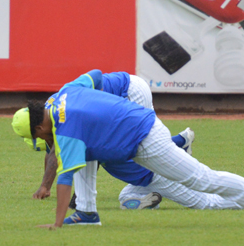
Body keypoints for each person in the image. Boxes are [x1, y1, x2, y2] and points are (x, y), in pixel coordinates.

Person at [11, 78, 244, 228]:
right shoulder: (61, 95)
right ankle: (87, 214)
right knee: (88, 156)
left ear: (38, 127)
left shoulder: (66, 129)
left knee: (202, 179)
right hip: (138, 120)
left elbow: (65, 178)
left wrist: (58, 222)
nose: (46, 143)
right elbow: (95, 77)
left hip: (146, 140)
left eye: (37, 138)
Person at [28, 70, 195, 215]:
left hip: (129, 91)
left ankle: (176, 155)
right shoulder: (51, 110)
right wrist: (46, 186)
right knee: (140, 146)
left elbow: (57, 157)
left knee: (125, 149)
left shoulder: (60, 120)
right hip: (132, 86)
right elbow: (51, 156)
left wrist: (70, 199)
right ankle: (178, 147)